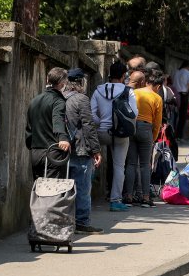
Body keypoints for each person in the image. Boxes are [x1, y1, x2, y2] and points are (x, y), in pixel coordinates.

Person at [91, 61, 138, 212]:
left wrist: (101, 122)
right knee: (119, 167)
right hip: (121, 133)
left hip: (101, 133)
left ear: (109, 74)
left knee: (89, 162)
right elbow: (134, 113)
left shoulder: (98, 90)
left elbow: (91, 114)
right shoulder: (128, 91)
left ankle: (84, 195)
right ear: (124, 75)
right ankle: (115, 200)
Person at [63, 68, 103, 234]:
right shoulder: (81, 99)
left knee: (64, 188)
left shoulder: (60, 97)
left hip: (62, 150)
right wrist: (96, 150)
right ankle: (82, 222)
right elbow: (88, 125)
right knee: (82, 188)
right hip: (80, 149)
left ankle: (64, 220)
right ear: (81, 83)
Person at [124, 70, 162, 207]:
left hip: (131, 127)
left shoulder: (135, 92)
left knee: (131, 164)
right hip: (146, 129)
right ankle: (146, 197)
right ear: (158, 87)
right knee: (145, 165)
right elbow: (157, 123)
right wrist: (153, 138)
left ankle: (128, 196)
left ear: (146, 82)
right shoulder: (157, 98)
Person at [25, 67, 71, 179]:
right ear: (62, 83)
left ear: (47, 80)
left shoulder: (34, 100)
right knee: (52, 192)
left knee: (39, 189)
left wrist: (32, 147)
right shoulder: (58, 101)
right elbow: (58, 119)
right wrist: (63, 138)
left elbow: (29, 129)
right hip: (53, 152)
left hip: (36, 152)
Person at [172, 60, 189, 142]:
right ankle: (179, 136)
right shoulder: (188, 73)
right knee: (182, 116)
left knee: (174, 116)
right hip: (184, 95)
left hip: (175, 95)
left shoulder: (176, 72)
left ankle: (172, 134)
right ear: (188, 66)